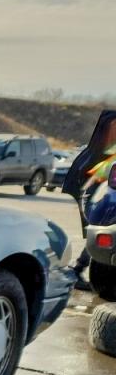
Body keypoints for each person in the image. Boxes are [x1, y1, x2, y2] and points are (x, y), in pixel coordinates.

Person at [62, 112, 116, 290]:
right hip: (95, 200)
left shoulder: (105, 155)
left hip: (96, 198)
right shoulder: (108, 157)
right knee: (98, 234)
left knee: (98, 235)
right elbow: (92, 181)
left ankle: (78, 270)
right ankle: (77, 270)